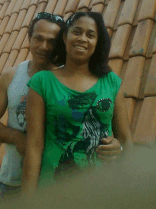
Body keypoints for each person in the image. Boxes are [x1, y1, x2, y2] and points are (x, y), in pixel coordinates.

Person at [0, 12, 123, 202]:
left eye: (51, 41)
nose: (44, 47)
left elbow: (101, 126)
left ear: (60, 42)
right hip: (14, 178)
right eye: (38, 39)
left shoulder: (70, 78)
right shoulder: (11, 77)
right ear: (29, 38)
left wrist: (116, 145)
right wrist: (17, 138)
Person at [22, 12, 132, 195]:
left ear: (97, 43)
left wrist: (118, 149)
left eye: (90, 35)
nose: (82, 39)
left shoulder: (111, 82)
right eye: (77, 32)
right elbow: (33, 147)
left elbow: (126, 139)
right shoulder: (42, 82)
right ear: (65, 37)